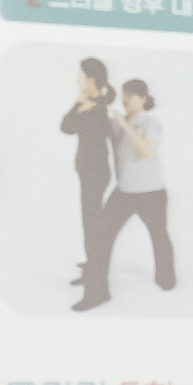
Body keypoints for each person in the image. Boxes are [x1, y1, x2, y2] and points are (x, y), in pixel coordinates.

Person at [73, 78, 173, 311]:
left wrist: (125, 124)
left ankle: (166, 279)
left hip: (152, 193)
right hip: (124, 193)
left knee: (159, 238)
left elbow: (147, 150)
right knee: (100, 238)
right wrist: (86, 101)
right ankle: (97, 292)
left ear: (143, 98)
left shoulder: (151, 121)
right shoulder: (116, 122)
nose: (126, 99)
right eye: (125, 95)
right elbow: (92, 126)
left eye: (132, 95)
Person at [63, 59, 118, 287]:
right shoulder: (90, 104)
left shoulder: (99, 108)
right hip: (89, 173)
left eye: (80, 76)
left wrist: (82, 108)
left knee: (92, 225)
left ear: (90, 79)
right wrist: (78, 103)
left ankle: (95, 276)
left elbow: (68, 127)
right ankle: (92, 267)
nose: (77, 80)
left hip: (95, 174)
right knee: (90, 223)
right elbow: (65, 126)